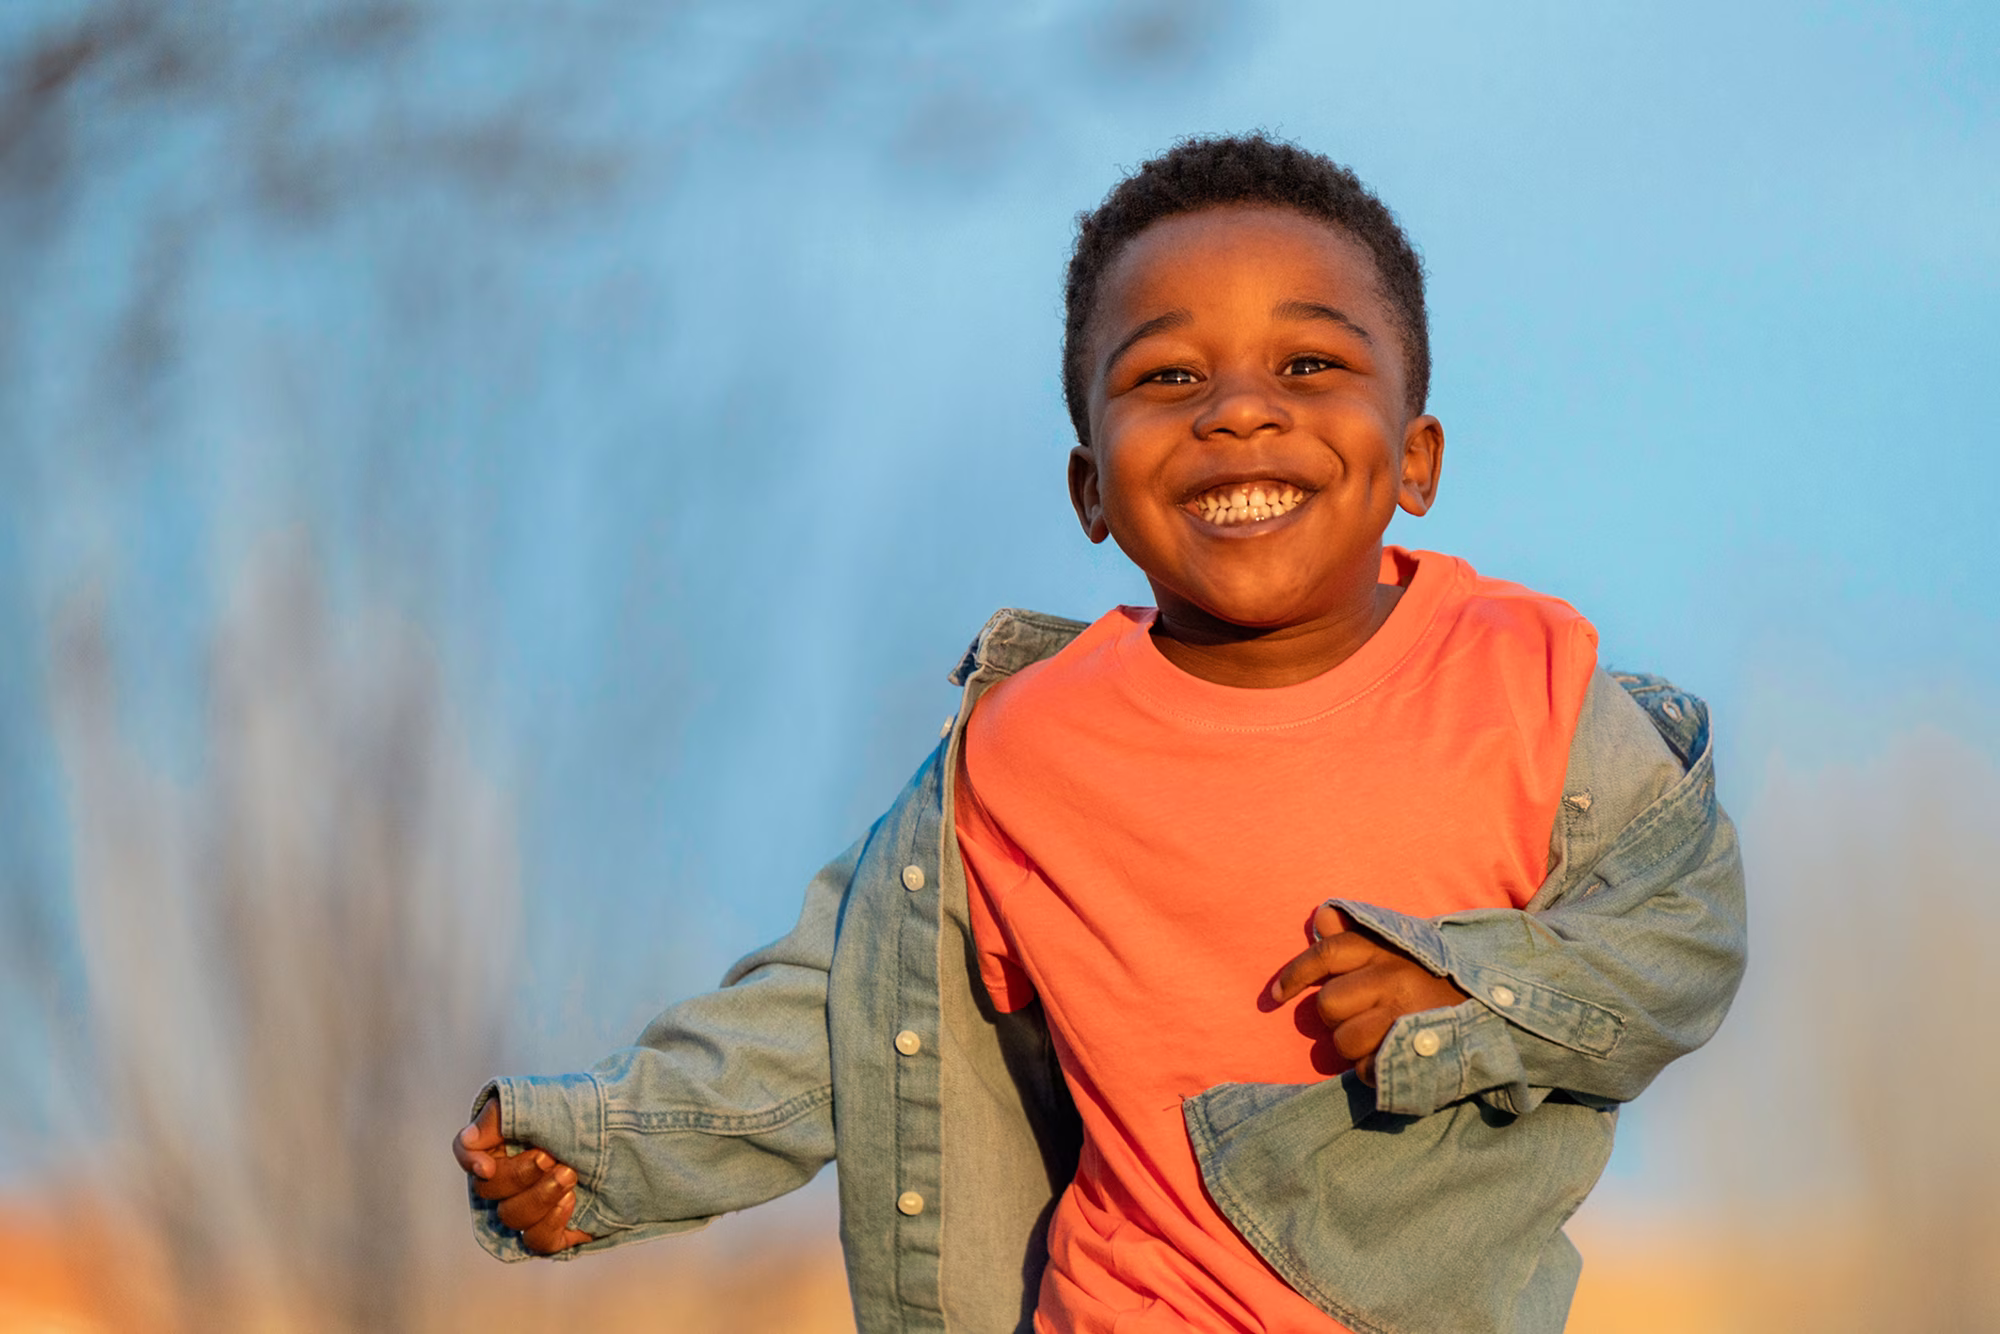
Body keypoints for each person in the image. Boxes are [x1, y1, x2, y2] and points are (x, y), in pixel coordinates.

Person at [452, 135, 1746, 1334]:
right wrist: (616, 1142)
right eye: (1167, 374)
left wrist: (1477, 991)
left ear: (1415, 458)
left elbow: (1680, 933)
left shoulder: (1526, 685)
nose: (1237, 410)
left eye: (1310, 364)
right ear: (1088, 485)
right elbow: (838, 1005)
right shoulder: (1025, 747)